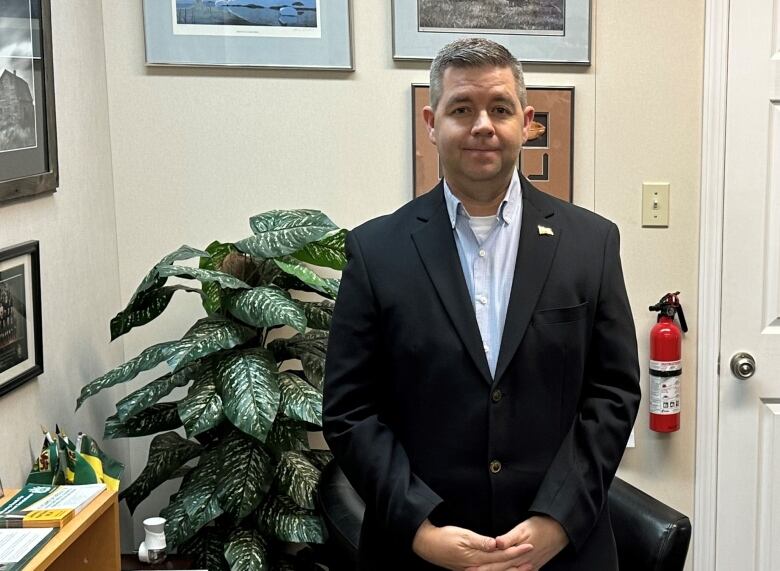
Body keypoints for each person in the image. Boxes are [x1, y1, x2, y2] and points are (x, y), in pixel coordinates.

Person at [323, 37, 640, 571]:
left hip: (560, 551)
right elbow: (350, 410)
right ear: (431, 121)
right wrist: (420, 528)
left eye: (499, 108)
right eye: (461, 109)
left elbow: (612, 393)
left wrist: (556, 520)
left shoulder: (592, 242)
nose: (482, 126)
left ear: (527, 120)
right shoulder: (376, 250)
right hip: (419, 551)